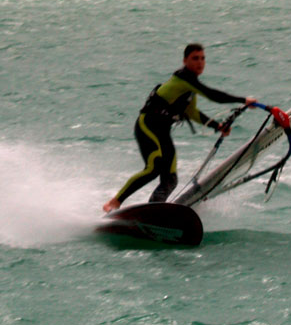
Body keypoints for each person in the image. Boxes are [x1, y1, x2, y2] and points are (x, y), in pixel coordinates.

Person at [103, 43, 255, 213]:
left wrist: (217, 126)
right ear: (185, 61)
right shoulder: (183, 79)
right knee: (154, 168)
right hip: (147, 126)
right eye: (195, 58)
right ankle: (115, 202)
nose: (200, 62)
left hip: (162, 132)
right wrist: (243, 100)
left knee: (170, 179)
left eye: (202, 58)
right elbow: (213, 95)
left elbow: (192, 113)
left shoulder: (189, 88)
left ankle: (152, 211)